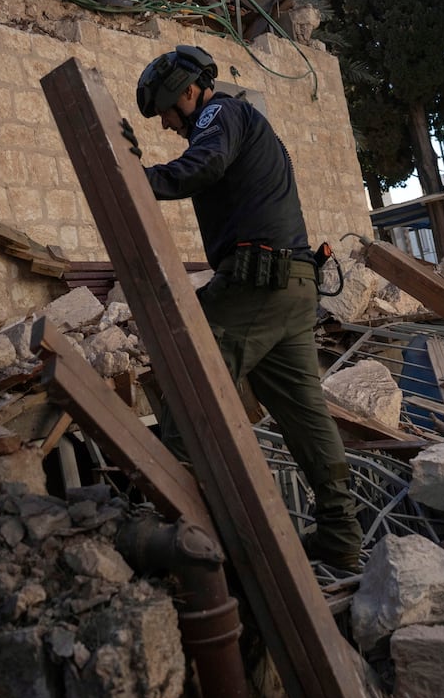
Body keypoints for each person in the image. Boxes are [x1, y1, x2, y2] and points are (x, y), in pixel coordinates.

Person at [134, 44, 364, 571]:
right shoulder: (246, 122)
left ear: (189, 93)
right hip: (294, 287)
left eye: (168, 112)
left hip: (256, 285)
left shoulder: (219, 113)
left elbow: (205, 163)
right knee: (305, 415)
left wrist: (140, 176)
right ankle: (341, 534)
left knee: (189, 384)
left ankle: (174, 535)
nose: (168, 125)